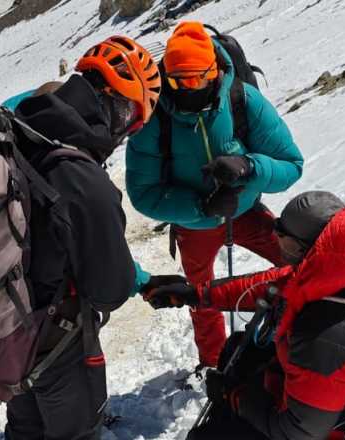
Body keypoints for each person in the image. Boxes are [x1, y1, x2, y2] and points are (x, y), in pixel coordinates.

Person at [0, 35, 175, 440]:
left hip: (3, 319)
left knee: (24, 425)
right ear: (124, 108)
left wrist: (142, 280)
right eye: (134, 122)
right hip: (56, 338)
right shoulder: (83, 177)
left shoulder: (20, 125)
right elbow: (107, 290)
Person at [146, 191, 345, 440]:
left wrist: (235, 395)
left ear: (300, 248)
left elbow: (298, 433)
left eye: (280, 231)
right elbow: (272, 284)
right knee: (241, 349)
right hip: (327, 391)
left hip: (344, 422)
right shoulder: (339, 267)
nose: (274, 235)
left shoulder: (324, 332)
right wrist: (196, 294)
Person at [126, 21, 304, 368]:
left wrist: (250, 167)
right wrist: (201, 207)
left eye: (197, 79)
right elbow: (143, 193)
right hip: (194, 225)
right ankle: (213, 362)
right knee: (200, 294)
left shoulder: (242, 99)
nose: (188, 89)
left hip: (247, 210)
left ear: (216, 70)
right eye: (179, 81)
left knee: (296, 268)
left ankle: (302, 332)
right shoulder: (155, 117)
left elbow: (291, 164)